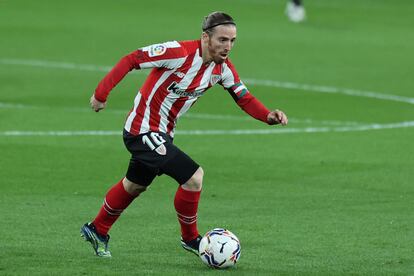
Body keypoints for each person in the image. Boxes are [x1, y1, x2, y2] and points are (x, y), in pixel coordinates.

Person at [81, 11, 288, 258]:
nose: (228, 46)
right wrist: (100, 94)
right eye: (222, 40)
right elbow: (131, 60)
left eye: (232, 41)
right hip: (142, 130)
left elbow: (244, 98)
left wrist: (268, 116)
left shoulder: (223, 69)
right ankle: (191, 239)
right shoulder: (177, 52)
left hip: (163, 135)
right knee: (193, 177)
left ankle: (97, 229)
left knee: (134, 185)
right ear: (205, 37)